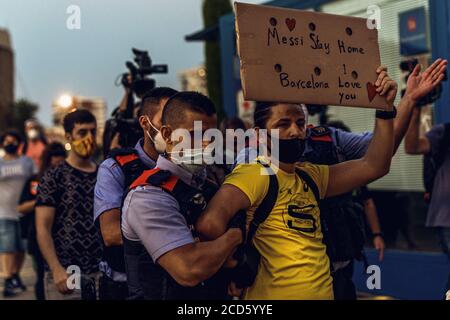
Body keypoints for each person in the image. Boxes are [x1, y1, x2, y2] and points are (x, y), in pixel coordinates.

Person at [195, 66, 397, 300]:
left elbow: (375, 166)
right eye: (283, 124)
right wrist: (237, 259)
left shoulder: (311, 176)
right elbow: (209, 224)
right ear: (260, 134)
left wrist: (385, 110)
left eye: (300, 123)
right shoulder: (253, 175)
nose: (295, 131)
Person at [121, 92, 243, 300]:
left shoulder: (208, 183)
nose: (206, 143)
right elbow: (189, 269)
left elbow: (233, 261)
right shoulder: (148, 196)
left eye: (211, 136)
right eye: (195, 134)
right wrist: (236, 234)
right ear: (167, 135)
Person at [94, 87, 178, 300]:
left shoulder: (191, 167)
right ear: (144, 123)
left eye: (177, 120)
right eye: (164, 120)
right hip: (128, 287)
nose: (172, 129)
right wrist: (176, 240)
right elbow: (112, 235)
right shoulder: (115, 168)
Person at [35, 109, 102, 300]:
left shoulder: (105, 175)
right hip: (67, 274)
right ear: (68, 136)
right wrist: (56, 269)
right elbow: (43, 228)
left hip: (100, 274)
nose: (89, 138)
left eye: (93, 132)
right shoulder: (54, 176)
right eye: (82, 132)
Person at [17, 142, 66, 300]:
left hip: (66, 240)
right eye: (54, 163)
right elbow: (21, 207)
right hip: (39, 237)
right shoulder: (35, 181)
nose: (57, 168)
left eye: (61, 163)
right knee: (41, 278)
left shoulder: (70, 180)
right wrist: (44, 199)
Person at [0, 130, 35, 297]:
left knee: (21, 247)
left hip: (23, 211)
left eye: (13, 141)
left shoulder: (26, 162)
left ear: (19, 143)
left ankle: (15, 275)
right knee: (7, 247)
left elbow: (34, 181)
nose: (10, 143)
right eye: (7, 141)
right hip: (3, 211)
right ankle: (7, 279)